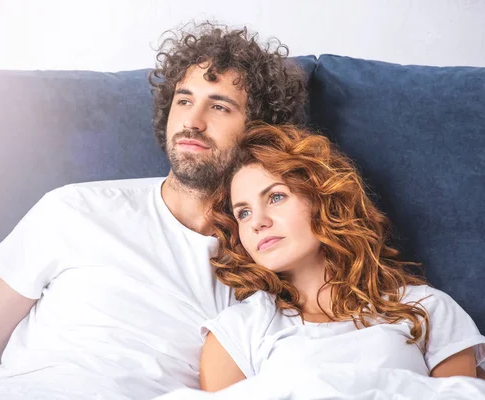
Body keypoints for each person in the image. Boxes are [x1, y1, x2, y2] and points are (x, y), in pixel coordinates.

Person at [0, 23, 308, 400]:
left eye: (219, 107)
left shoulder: (269, 258)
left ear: (259, 129)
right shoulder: (74, 209)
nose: (193, 122)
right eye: (184, 100)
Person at [200, 123, 485, 392]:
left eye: (276, 197)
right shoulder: (237, 331)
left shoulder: (428, 309)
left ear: (323, 200)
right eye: (243, 213)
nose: (257, 222)